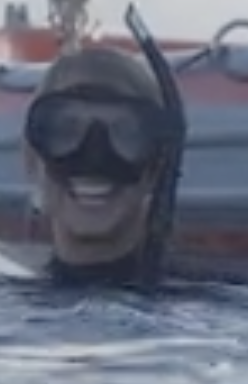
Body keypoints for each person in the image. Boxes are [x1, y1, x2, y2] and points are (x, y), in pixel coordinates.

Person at [19, 31, 188, 288]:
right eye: (67, 131)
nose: (94, 157)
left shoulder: (220, 313)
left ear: (156, 166)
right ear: (32, 160)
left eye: (124, 133)